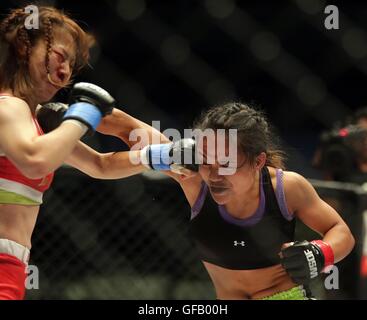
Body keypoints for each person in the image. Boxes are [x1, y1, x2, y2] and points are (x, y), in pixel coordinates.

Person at [95, 101, 355, 300]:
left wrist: (321, 252)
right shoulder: (192, 177)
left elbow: (341, 232)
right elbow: (126, 127)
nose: (215, 174)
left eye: (227, 164)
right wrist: (68, 114)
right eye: (207, 162)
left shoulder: (286, 187)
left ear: (258, 161)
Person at [0, 6, 149, 300]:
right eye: (59, 56)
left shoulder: (34, 120)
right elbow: (34, 161)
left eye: (72, 64)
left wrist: (159, 157)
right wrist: (83, 116)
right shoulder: (8, 106)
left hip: (12, 266)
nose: (65, 71)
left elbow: (100, 165)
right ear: (22, 47)